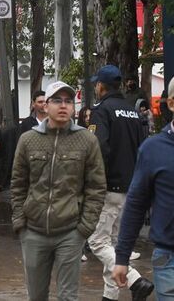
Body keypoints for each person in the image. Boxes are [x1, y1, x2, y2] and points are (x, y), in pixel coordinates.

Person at [11, 80, 106, 301]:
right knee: (36, 296)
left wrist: (85, 227)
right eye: (57, 100)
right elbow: (18, 183)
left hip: (70, 232)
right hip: (33, 231)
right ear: (45, 106)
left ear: (73, 107)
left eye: (68, 101)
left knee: (68, 297)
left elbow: (97, 187)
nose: (63, 105)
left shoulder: (87, 140)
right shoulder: (28, 140)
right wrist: (19, 222)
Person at [87, 65, 154, 301]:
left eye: (96, 83)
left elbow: (98, 149)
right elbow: (143, 149)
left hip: (107, 188)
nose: (95, 87)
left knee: (96, 242)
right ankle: (110, 296)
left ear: (102, 87)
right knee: (112, 245)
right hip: (130, 188)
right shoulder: (132, 112)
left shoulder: (101, 111)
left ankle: (136, 280)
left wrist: (92, 184)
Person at [113, 76, 174, 300]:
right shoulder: (153, 149)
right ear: (172, 103)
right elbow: (136, 205)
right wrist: (122, 258)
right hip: (169, 259)